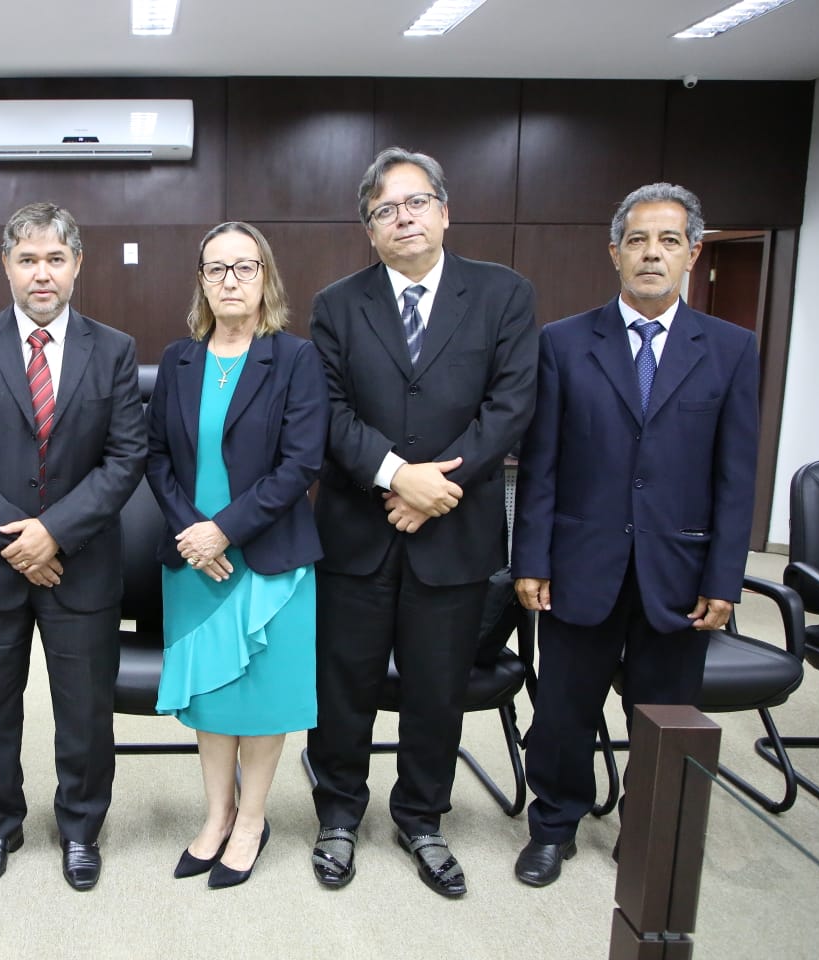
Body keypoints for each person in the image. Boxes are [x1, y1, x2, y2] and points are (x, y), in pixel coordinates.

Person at [306, 147, 539, 897]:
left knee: (438, 690)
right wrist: (395, 474)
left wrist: (439, 485)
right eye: (385, 210)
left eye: (415, 203)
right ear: (368, 229)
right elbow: (328, 412)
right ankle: (338, 814)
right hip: (356, 530)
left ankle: (422, 817)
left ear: (444, 211)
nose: (402, 218)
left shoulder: (503, 294)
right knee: (343, 686)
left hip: (455, 530)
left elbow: (510, 405)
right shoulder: (337, 304)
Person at [511, 183, 758, 886]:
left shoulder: (732, 349)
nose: (653, 254)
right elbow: (540, 465)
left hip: (680, 571)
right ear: (615, 252)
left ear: (692, 254)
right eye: (638, 241)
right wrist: (530, 558)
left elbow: (736, 476)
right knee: (563, 710)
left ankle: (649, 830)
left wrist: (724, 577)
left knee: (665, 713)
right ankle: (553, 826)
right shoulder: (563, 343)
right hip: (579, 563)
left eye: (669, 241)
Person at [0, 202, 146, 892]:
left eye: (56, 258)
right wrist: (19, 538)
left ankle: (81, 828)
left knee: (85, 712)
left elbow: (125, 457)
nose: (42, 273)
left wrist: (54, 532)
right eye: (28, 259)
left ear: (77, 265)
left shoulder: (114, 349)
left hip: (81, 566)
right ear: (7, 266)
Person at [146, 222, 327, 889]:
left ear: (265, 277)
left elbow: (301, 463)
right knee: (213, 693)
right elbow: (156, 457)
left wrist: (224, 530)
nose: (230, 280)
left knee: (261, 693)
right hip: (194, 560)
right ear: (201, 280)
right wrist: (193, 532)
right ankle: (216, 814)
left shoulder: (296, 359)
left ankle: (251, 820)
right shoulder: (179, 360)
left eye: (244, 267)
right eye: (216, 268)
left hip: (268, 557)